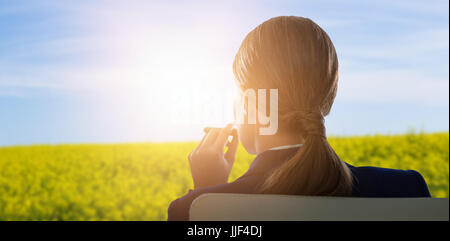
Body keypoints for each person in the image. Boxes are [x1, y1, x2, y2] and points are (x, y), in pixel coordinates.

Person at [167, 16, 431, 221]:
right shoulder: (407, 188)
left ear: (250, 104)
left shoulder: (194, 209)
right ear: (328, 97)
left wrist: (208, 195)